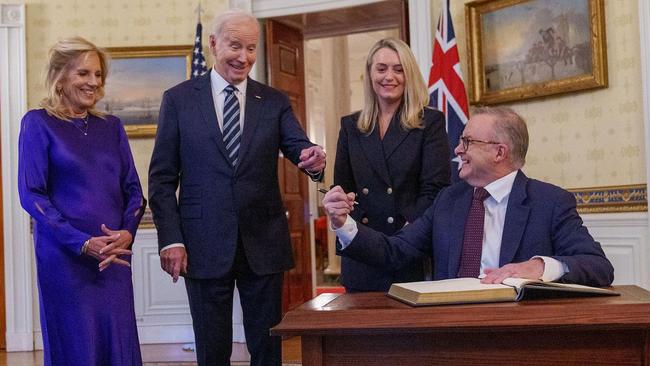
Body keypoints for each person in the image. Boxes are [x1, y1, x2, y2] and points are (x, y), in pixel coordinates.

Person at [148, 10, 326, 366]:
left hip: (262, 241)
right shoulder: (179, 100)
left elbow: (299, 147)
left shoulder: (273, 101)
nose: (243, 57)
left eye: (251, 48)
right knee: (212, 347)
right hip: (201, 242)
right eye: (234, 46)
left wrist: (314, 160)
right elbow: (162, 178)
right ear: (214, 44)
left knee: (267, 346)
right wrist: (171, 238)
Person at [324, 106, 614, 287]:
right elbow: (394, 251)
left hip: (519, 333)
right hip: (449, 331)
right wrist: (343, 224)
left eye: (467, 142)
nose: (457, 150)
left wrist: (539, 266)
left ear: (500, 151)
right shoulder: (448, 201)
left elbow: (599, 266)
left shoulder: (549, 202)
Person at [18, 37, 146, 365]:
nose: (93, 82)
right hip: (65, 260)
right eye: (83, 73)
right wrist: (82, 242)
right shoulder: (37, 123)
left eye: (99, 75)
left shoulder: (112, 126)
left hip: (114, 259)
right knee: (76, 345)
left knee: (118, 343)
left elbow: (134, 191)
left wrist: (126, 234)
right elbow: (32, 194)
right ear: (60, 77)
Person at [334, 38, 450, 292]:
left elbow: (436, 189)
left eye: (399, 69)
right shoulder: (350, 126)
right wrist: (351, 232)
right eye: (382, 68)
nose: (390, 76)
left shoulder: (429, 122)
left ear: (409, 75)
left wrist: (407, 236)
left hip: (407, 246)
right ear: (370, 73)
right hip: (361, 247)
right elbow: (343, 189)